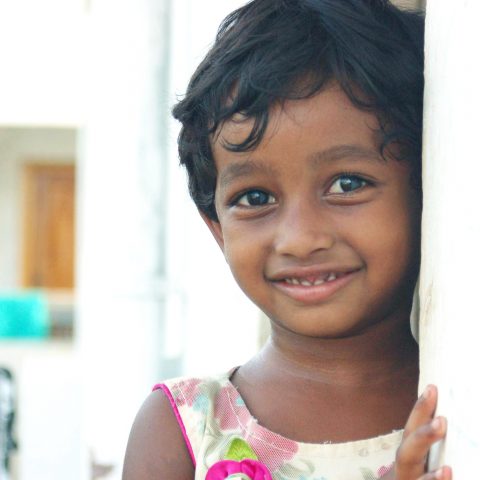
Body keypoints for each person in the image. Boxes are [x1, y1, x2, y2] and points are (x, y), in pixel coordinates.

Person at [123, 1, 452, 479]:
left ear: (426, 193)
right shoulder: (184, 431)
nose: (299, 239)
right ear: (216, 226)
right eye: (255, 197)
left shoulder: (461, 405)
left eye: (347, 184)